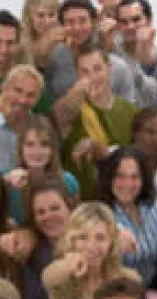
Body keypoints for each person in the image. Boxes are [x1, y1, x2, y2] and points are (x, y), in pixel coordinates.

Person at [42, 202, 140, 299]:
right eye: (82, 237)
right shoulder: (62, 280)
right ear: (72, 240)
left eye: (100, 238)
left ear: (111, 242)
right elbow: (48, 278)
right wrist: (69, 265)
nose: (91, 246)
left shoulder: (130, 279)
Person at [58, 46, 139, 200]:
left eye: (97, 69)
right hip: (83, 202)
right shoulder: (72, 110)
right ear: (77, 76)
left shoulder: (131, 111)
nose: (92, 77)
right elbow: (59, 115)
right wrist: (75, 95)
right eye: (85, 72)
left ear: (109, 69)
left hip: (121, 200)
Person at [98, 147, 157, 284]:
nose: (127, 184)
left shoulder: (155, 209)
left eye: (134, 177)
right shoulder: (98, 214)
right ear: (109, 178)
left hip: (156, 292)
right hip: (117, 295)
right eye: (120, 176)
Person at [19, 176, 77, 299]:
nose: (48, 216)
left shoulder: (88, 248)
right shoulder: (31, 250)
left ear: (70, 207)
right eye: (41, 212)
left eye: (55, 208)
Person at [42, 0, 136, 103]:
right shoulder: (55, 54)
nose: (76, 28)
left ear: (93, 22)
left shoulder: (117, 61)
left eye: (82, 21)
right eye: (70, 22)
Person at [5, 116, 80, 224]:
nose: (37, 151)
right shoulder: (8, 182)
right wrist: (4, 182)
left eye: (44, 144)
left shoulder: (68, 181)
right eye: (30, 144)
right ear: (21, 149)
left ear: (52, 149)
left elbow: (77, 223)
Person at [111, 0, 157, 108]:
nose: (130, 26)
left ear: (149, 20)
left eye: (136, 19)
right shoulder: (111, 51)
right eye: (124, 22)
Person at [20, 0, 61, 67]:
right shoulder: (21, 41)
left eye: (51, 15)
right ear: (29, 17)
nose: (47, 21)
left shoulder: (64, 41)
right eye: (40, 15)